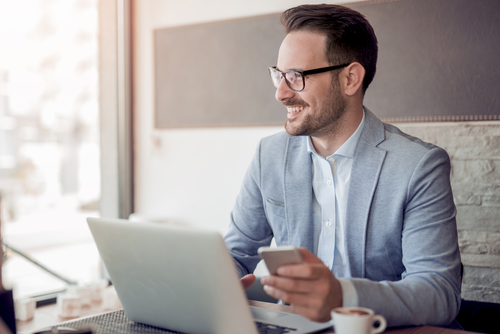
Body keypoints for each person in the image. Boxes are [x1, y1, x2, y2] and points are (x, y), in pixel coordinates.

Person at [224, 4, 462, 328]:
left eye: (296, 77)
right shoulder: (270, 155)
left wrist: (342, 296)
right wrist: (211, 284)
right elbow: (236, 256)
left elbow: (439, 293)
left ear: (351, 78)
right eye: (279, 75)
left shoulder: (419, 167)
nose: (280, 93)